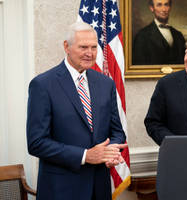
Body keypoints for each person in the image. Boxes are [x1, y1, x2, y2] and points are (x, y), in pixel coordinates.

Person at [26, 21, 127, 200]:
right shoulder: (43, 85)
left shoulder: (106, 84)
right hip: (61, 190)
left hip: (99, 188)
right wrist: (85, 155)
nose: (90, 53)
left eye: (94, 47)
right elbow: (36, 143)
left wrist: (110, 151)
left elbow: (117, 131)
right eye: (83, 47)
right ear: (66, 46)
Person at [132, 0, 186, 65]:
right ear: (152, 8)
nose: (164, 9)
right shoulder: (142, 36)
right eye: (159, 5)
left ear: (170, 7)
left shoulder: (178, 35)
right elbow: (139, 66)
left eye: (166, 5)